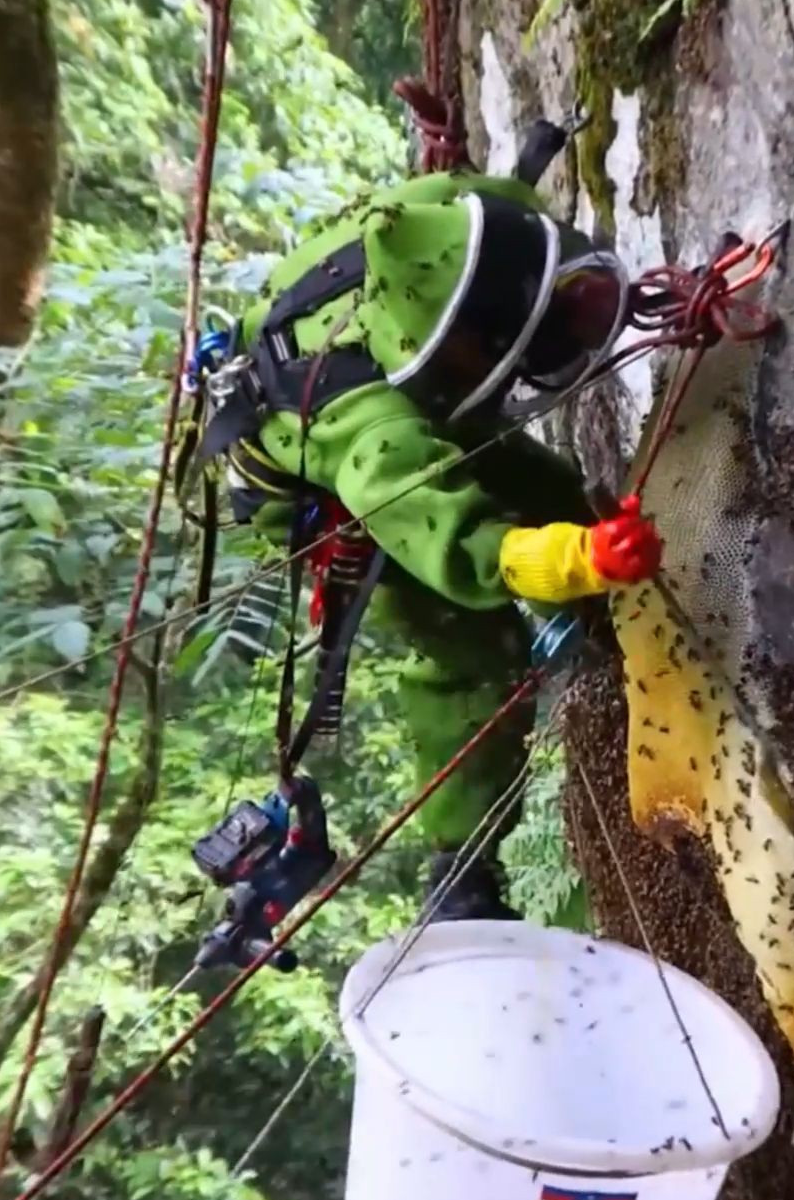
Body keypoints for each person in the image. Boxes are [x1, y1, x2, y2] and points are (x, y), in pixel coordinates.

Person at [188, 138, 661, 961]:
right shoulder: (379, 445)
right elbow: (461, 537)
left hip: (389, 373)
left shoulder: (449, 214)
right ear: (441, 356)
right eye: (488, 353)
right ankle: (462, 871)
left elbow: (493, 198)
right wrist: (577, 562)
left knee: (549, 488)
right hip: (317, 487)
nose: (508, 362)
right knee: (467, 650)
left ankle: (617, 623)